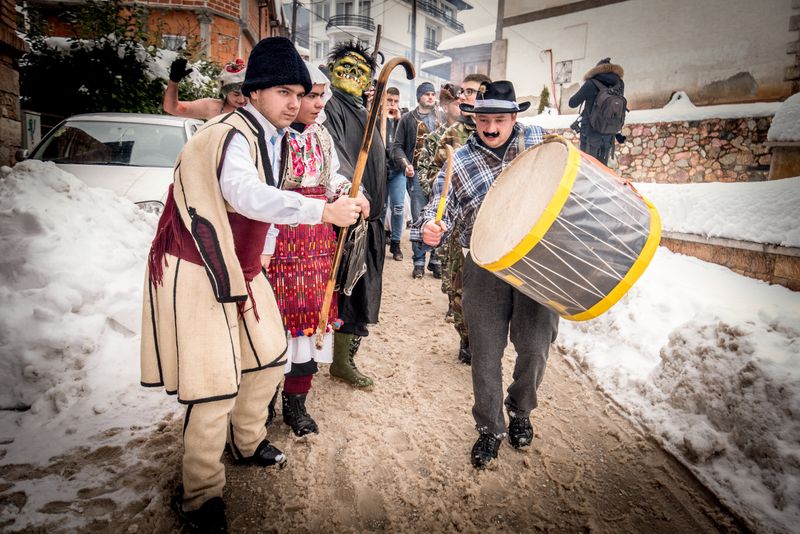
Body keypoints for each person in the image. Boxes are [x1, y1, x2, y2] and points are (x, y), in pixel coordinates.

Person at [140, 37, 363, 532]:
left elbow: (271, 206)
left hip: (240, 266)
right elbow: (244, 194)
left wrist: (263, 256)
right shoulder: (231, 133)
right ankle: (199, 495)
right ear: (254, 92)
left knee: (267, 357)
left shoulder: (273, 136)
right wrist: (321, 212)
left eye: (299, 94)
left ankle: (245, 442)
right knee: (213, 387)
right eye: (283, 92)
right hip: (198, 266)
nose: (294, 103)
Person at [417, 81, 559, 469]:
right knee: (485, 351)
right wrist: (431, 225)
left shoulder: (540, 142)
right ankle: (490, 428)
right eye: (484, 120)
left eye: (499, 120)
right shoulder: (460, 161)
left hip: (535, 262)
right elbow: (438, 205)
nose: (491, 128)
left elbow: (574, 175)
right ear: (474, 120)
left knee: (535, 345)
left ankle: (520, 410)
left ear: (514, 118)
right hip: (483, 263)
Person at [263, 61, 370, 436]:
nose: (319, 103)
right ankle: (261, 404)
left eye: (322, 95)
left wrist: (352, 193)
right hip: (277, 243)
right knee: (272, 326)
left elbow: (330, 178)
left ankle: (296, 404)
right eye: (311, 95)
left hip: (316, 246)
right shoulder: (270, 138)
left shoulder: (321, 135)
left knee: (309, 326)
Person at [323, 40, 387, 388]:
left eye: (360, 70)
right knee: (344, 287)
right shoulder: (329, 107)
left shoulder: (364, 110)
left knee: (362, 288)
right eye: (344, 66)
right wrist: (354, 193)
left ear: (367, 81)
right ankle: (331, 360)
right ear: (332, 71)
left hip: (370, 219)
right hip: (348, 213)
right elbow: (335, 157)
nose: (350, 73)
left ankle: (344, 359)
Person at [416, 73, 491, 366]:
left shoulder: (501, 134)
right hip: (457, 227)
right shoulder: (448, 136)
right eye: (463, 92)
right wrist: (444, 205)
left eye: (471, 91)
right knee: (458, 287)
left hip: (492, 227)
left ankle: (487, 337)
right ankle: (467, 338)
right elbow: (427, 173)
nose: (463, 96)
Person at [391, 81, 443, 279]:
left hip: (440, 176)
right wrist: (406, 164)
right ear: (419, 97)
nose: (430, 97)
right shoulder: (407, 119)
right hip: (418, 177)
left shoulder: (442, 117)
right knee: (419, 218)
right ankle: (419, 261)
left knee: (440, 217)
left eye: (433, 94)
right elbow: (397, 147)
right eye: (427, 94)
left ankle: (436, 260)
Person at [568, 57, 625, 165]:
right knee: (602, 168)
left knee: (588, 166)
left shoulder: (591, 83)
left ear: (597, 70)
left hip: (590, 133)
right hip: (609, 132)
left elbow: (572, 103)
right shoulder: (620, 84)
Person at [163, 57, 248, 120]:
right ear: (225, 91)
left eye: (246, 93)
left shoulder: (254, 108)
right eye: (236, 94)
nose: (242, 99)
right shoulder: (212, 107)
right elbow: (172, 108)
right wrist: (174, 82)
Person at [381, 86, 406, 261]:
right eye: (389, 100)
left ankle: (396, 243)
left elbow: (406, 143)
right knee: (381, 208)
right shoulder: (377, 118)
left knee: (398, 207)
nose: (392, 104)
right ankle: (380, 240)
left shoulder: (402, 120)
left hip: (397, 170)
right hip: (381, 170)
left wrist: (398, 121)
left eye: (395, 101)